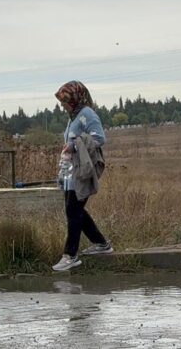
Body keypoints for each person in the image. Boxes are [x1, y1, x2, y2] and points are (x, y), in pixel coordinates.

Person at [52, 81, 112, 272]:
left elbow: (99, 138)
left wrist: (74, 145)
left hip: (82, 171)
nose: (63, 106)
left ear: (75, 99)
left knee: (73, 211)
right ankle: (101, 244)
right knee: (75, 210)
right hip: (70, 172)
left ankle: (70, 255)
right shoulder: (74, 117)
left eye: (65, 102)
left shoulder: (87, 114)